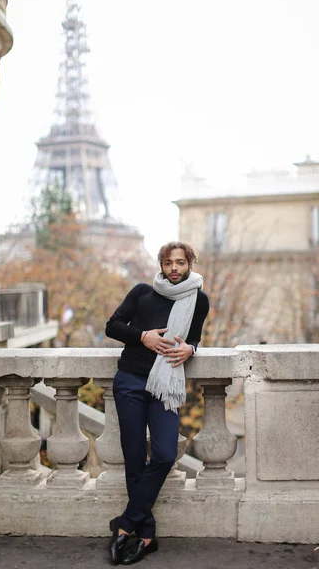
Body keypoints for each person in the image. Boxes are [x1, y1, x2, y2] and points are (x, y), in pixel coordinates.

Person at [105, 241, 210, 565]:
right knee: (134, 457)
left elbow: (194, 337)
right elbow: (112, 326)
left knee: (164, 453)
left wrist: (192, 349)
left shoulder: (199, 299)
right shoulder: (141, 292)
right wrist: (143, 336)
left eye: (180, 263)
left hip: (164, 386)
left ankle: (125, 524)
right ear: (161, 265)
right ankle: (145, 534)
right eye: (168, 263)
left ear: (189, 264)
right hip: (131, 382)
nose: (174, 269)